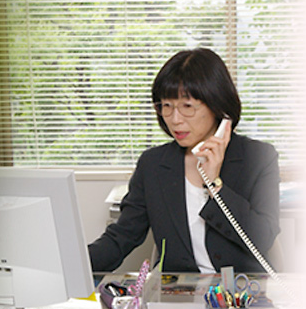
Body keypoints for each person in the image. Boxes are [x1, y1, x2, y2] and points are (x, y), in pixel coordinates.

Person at [87, 48, 280, 273]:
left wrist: (215, 183)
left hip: (242, 295)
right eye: (166, 106)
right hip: (178, 298)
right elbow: (121, 237)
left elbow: (262, 238)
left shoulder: (258, 158)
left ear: (217, 105)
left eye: (187, 106)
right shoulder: (153, 164)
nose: (175, 119)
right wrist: (68, 265)